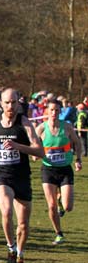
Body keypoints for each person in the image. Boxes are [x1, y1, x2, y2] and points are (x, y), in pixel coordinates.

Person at [0, 88, 44, 263]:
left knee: (23, 224)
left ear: (18, 102)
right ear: (0, 103)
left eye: (14, 102)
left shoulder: (24, 122)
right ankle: (11, 248)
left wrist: (18, 146)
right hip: (0, 173)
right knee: (6, 211)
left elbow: (39, 151)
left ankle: (20, 253)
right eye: (7, 102)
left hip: (21, 176)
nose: (10, 106)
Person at [35, 100, 82, 245]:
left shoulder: (67, 127)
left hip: (65, 169)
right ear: (47, 111)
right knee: (51, 205)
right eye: (51, 110)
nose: (54, 113)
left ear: (60, 111)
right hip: (48, 169)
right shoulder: (41, 128)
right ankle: (59, 233)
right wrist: (35, 153)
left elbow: (77, 142)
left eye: (57, 110)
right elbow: (33, 144)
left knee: (68, 206)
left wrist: (78, 159)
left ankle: (61, 201)